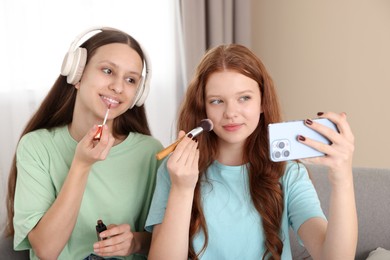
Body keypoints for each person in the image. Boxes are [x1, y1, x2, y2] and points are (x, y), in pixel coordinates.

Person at [145, 44, 357, 259]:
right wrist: (182, 189)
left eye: (244, 98)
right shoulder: (176, 170)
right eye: (217, 101)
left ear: (263, 102)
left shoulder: (288, 173)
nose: (231, 113)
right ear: (203, 108)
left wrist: (343, 179)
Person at [6, 27, 163, 260]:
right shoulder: (36, 146)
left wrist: (135, 243)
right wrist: (81, 165)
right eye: (108, 71)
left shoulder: (150, 153)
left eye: (130, 80)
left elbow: (168, 240)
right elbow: (46, 250)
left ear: (137, 94)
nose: (118, 87)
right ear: (77, 74)